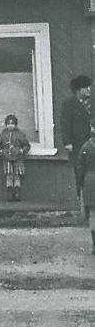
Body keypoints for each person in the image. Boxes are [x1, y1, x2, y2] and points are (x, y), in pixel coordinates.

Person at [59, 75, 92, 205]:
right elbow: (65, 124)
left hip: (92, 143)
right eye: (86, 88)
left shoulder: (92, 103)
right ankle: (83, 202)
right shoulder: (68, 104)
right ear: (78, 90)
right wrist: (67, 142)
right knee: (80, 172)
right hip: (78, 144)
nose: (89, 90)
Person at [0, 114, 32, 202]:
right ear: (6, 124)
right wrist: (0, 151)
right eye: (8, 123)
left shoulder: (20, 134)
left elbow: (26, 145)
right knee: (9, 175)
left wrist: (22, 151)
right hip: (7, 158)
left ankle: (17, 193)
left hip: (18, 157)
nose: (10, 125)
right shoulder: (3, 135)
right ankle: (10, 193)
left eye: (12, 123)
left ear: (15, 124)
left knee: (17, 175)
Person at [75, 119, 95, 255]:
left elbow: (79, 168)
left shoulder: (86, 147)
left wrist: (80, 185)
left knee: (93, 214)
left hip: (90, 182)